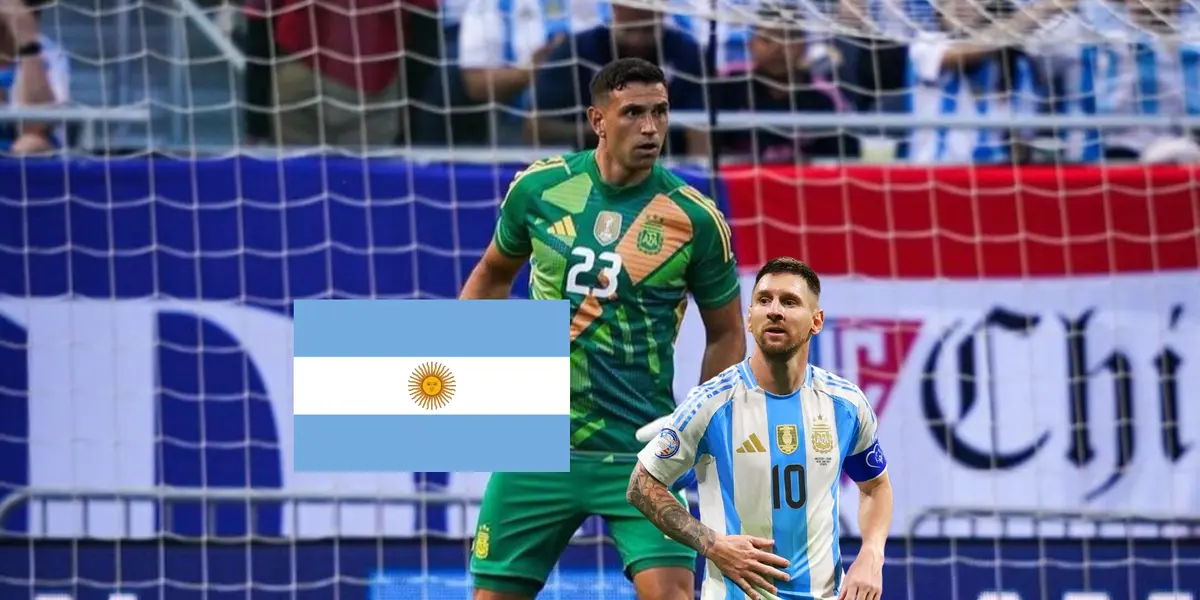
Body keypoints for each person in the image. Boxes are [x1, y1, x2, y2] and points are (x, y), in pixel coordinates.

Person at [458, 56, 748, 600]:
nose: (651, 128)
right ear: (597, 119)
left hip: (639, 453)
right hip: (538, 447)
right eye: (633, 112)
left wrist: (700, 426)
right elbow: (491, 276)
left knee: (674, 596)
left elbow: (727, 333)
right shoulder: (538, 190)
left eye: (660, 112)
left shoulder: (695, 218)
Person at [628, 257, 895, 600]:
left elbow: (875, 486)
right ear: (749, 317)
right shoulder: (710, 403)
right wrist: (713, 544)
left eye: (789, 301)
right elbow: (640, 484)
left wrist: (872, 554)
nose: (774, 310)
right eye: (764, 300)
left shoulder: (845, 404)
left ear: (817, 321)